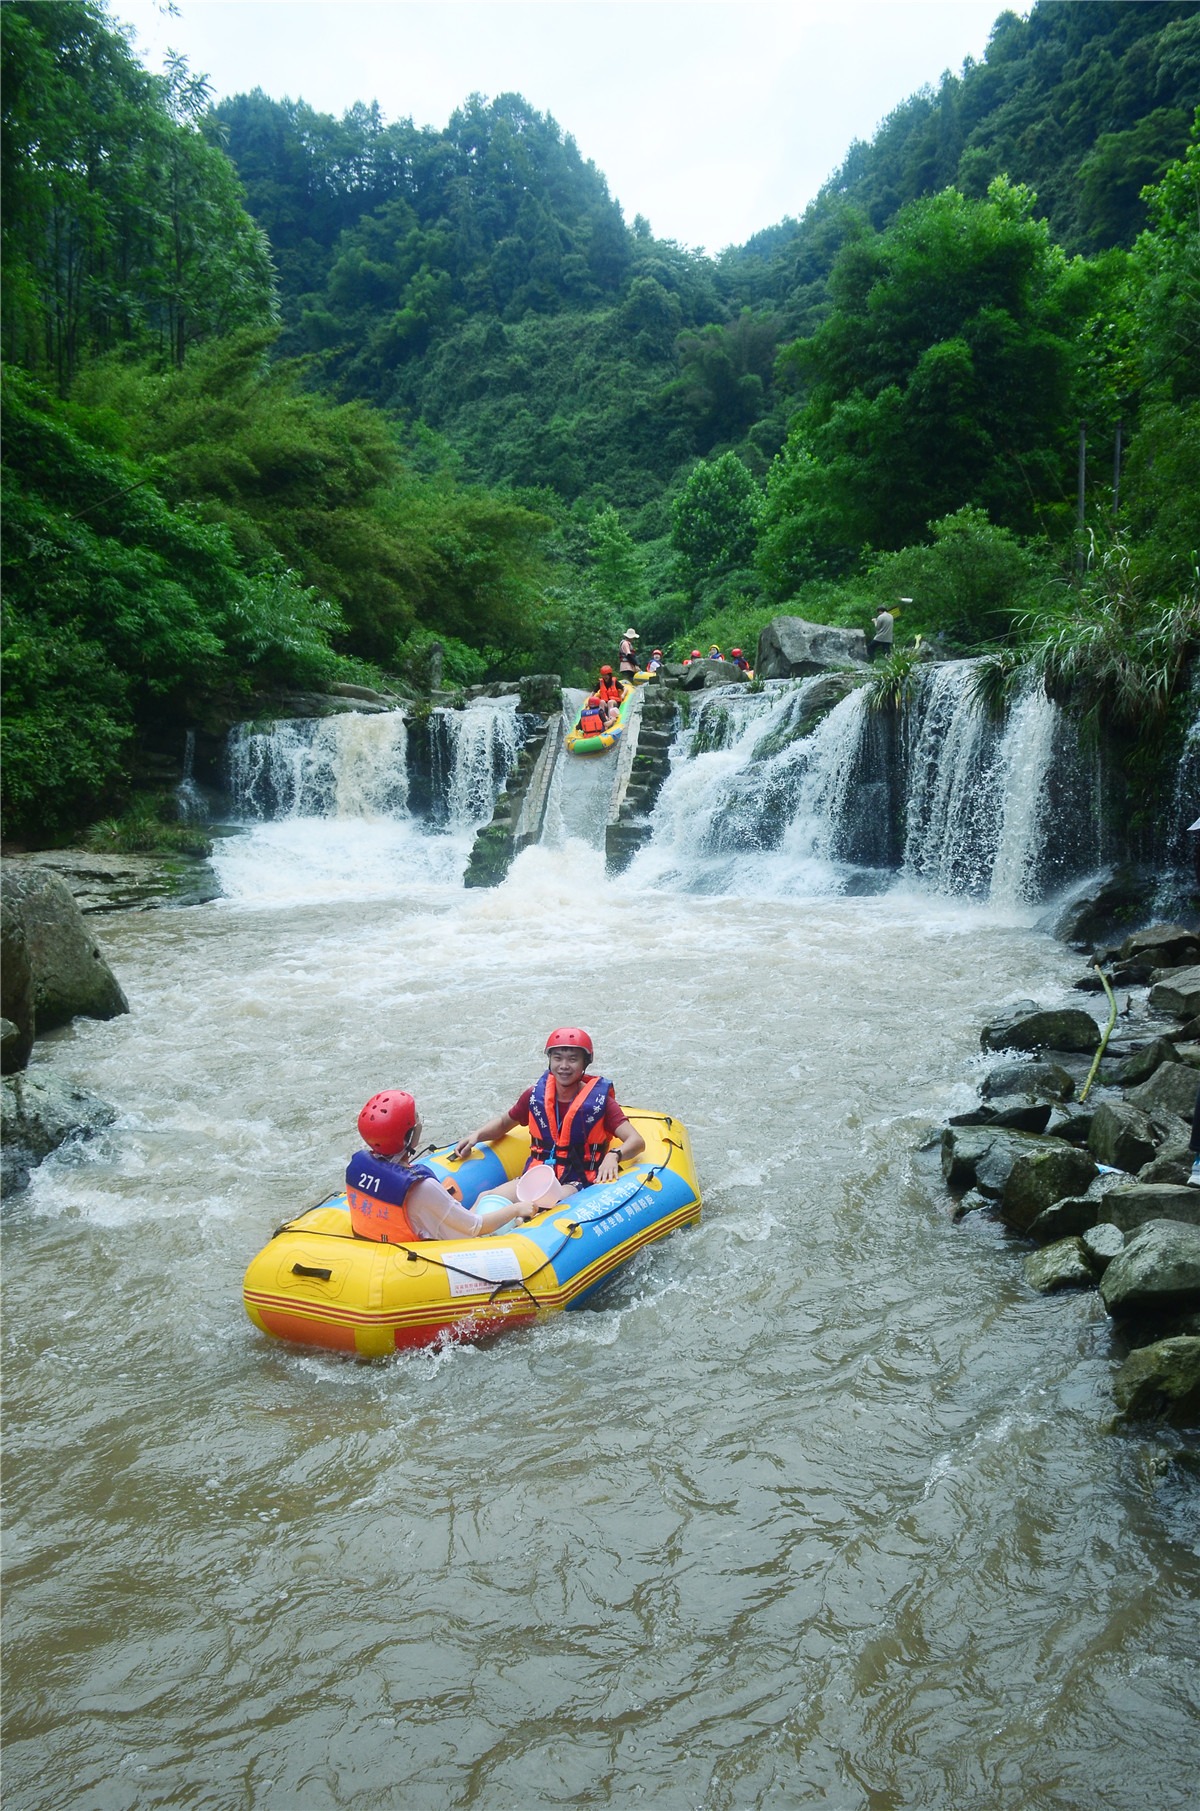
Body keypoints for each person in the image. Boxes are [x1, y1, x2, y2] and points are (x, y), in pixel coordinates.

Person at [454, 1027, 646, 1195]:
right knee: (487, 1197)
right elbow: (505, 1123)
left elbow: (636, 1141)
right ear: (550, 1061)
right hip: (539, 1175)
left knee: (546, 1202)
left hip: (579, 1180)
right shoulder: (534, 1096)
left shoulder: (600, 1103)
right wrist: (476, 1136)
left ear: (585, 1064)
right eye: (558, 1058)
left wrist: (614, 1155)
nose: (564, 1066)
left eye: (573, 1059)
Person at [347, 1090, 544, 1243]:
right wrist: (517, 1209)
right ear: (409, 1137)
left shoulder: (357, 1167)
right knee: (504, 1207)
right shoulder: (421, 1188)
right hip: (438, 1256)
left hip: (389, 1247)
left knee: (483, 1196)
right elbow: (475, 1227)